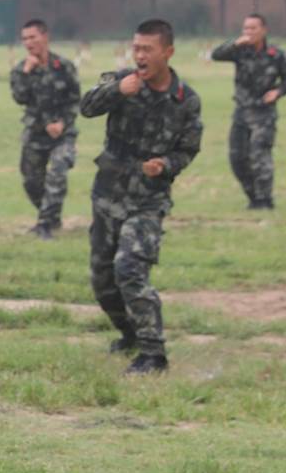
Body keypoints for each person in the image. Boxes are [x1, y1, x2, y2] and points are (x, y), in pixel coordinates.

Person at [78, 19, 203, 375]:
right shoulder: (120, 80)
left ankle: (154, 354)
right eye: (136, 48)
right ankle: (130, 335)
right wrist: (118, 90)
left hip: (148, 200)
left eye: (147, 49)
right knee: (102, 280)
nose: (140, 55)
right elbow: (86, 107)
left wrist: (165, 165)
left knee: (129, 267)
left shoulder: (185, 100)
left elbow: (188, 150)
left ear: (168, 52)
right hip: (108, 195)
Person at [209, 14, 286, 210]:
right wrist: (235, 44)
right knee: (237, 158)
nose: (248, 33)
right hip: (241, 111)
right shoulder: (239, 51)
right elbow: (216, 55)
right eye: (245, 29)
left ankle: (265, 200)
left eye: (253, 28)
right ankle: (253, 197)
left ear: (264, 30)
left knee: (259, 155)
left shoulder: (276, 55)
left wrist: (279, 91)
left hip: (263, 113)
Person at [9, 18, 80, 238]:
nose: (29, 43)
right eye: (24, 39)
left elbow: (75, 100)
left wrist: (63, 123)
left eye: (33, 37)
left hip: (62, 133)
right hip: (35, 132)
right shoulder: (21, 69)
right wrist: (26, 74)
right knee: (31, 181)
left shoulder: (64, 66)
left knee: (58, 172)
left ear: (45, 37)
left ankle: (45, 225)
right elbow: (19, 98)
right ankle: (50, 217)